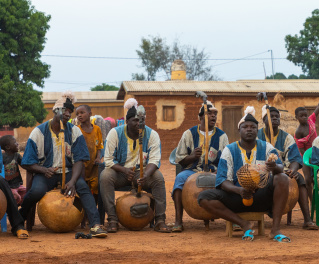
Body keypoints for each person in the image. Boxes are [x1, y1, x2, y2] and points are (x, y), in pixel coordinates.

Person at [20, 91, 107, 237]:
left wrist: (73, 181)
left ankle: (95, 225)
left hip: (69, 173)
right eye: (64, 111)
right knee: (35, 191)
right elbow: (28, 162)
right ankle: (19, 220)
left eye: (69, 112)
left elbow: (79, 159)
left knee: (83, 188)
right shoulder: (38, 132)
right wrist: (42, 170)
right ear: (55, 111)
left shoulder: (74, 132)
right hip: (46, 173)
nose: (67, 114)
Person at [198, 107, 291, 242]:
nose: (249, 129)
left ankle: (275, 230)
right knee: (203, 197)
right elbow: (222, 180)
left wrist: (275, 167)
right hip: (236, 197)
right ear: (239, 130)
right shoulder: (229, 150)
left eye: (253, 127)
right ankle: (244, 224)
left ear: (257, 130)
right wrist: (239, 190)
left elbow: (281, 167)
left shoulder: (267, 147)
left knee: (282, 177)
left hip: (261, 197)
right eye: (245, 127)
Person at [100, 98, 171, 233]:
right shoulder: (115, 133)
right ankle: (112, 219)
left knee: (158, 177)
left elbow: (155, 160)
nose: (139, 123)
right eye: (136, 120)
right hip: (120, 172)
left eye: (142, 120)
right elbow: (108, 160)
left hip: (142, 173)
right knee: (105, 176)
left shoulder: (152, 135)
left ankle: (160, 220)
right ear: (127, 121)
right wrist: (124, 170)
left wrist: (146, 175)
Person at [172, 100, 229, 232]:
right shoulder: (189, 134)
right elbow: (179, 159)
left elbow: (227, 160)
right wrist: (192, 156)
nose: (214, 116)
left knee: (230, 181)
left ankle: (232, 219)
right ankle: (178, 221)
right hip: (192, 171)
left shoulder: (222, 136)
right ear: (201, 116)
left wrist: (219, 172)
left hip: (215, 172)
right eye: (210, 113)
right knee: (180, 179)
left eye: (215, 114)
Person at [258, 105, 317, 230]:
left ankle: (307, 219)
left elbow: (295, 159)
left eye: (277, 117)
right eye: (271, 116)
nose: (275, 119)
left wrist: (292, 170)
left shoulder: (287, 137)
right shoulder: (258, 136)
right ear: (264, 120)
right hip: (262, 171)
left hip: (283, 171)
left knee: (300, 179)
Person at [294, 87, 319, 199]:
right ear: (297, 117)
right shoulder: (298, 132)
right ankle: (312, 200)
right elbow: (301, 150)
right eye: (301, 116)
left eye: (305, 115)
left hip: (318, 151)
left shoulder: (310, 120)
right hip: (306, 155)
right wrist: (309, 160)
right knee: (308, 179)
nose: (304, 118)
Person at [76, 105, 103, 201]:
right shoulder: (77, 130)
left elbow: (99, 146)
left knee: (96, 189)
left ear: (90, 114)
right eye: (77, 114)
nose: (79, 115)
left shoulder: (97, 130)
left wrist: (98, 158)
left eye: (82, 113)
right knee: (82, 191)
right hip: (81, 168)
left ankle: (93, 209)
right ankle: (84, 214)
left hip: (94, 167)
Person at [0, 135, 26, 205]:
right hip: (8, 186)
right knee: (16, 197)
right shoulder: (2, 157)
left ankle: (19, 211)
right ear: (8, 147)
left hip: (18, 184)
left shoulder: (17, 155)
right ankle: (11, 212)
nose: (17, 143)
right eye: (15, 142)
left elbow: (25, 165)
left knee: (27, 193)